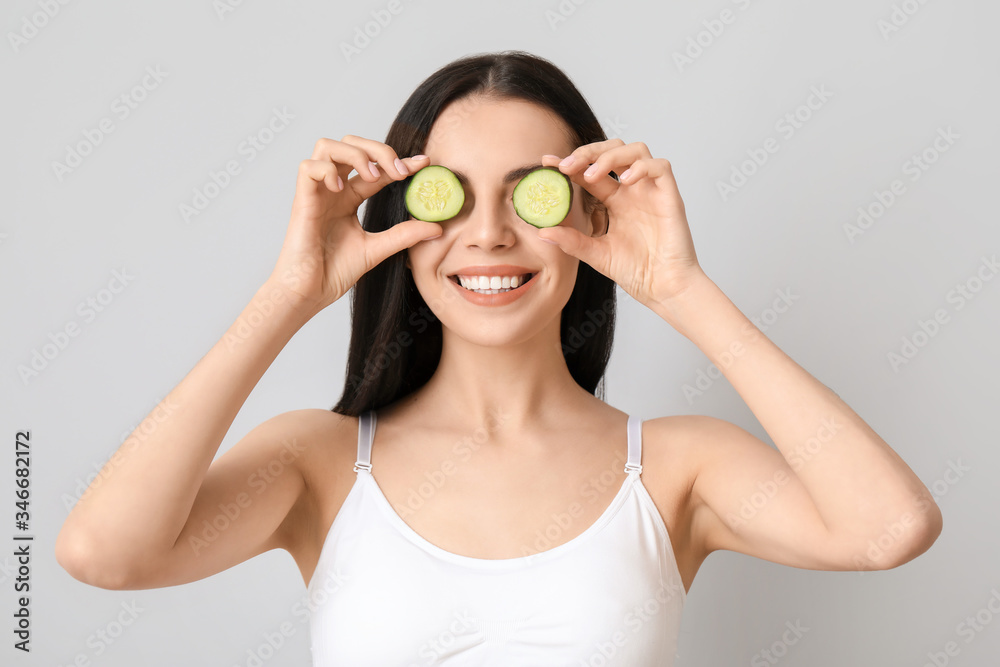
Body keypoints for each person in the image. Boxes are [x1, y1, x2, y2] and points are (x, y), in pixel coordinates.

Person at [55, 50, 943, 665]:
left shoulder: (676, 467)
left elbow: (888, 528)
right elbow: (102, 551)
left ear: (589, 217)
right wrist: (288, 294)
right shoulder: (320, 462)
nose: (486, 233)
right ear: (400, 224)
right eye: (452, 197)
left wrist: (678, 289)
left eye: (532, 195)